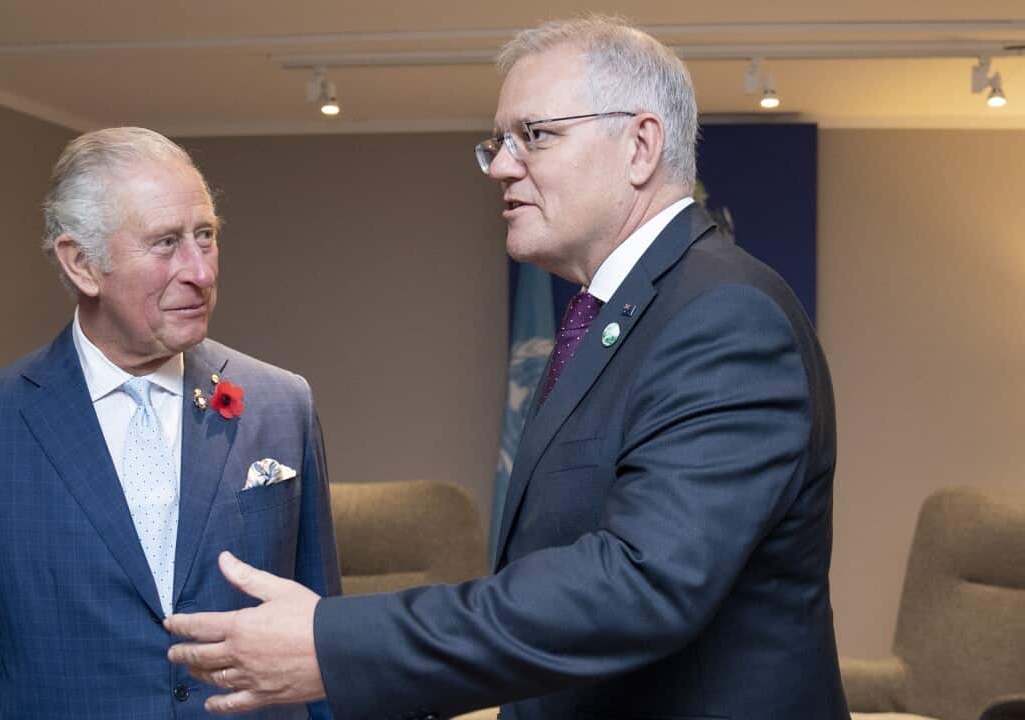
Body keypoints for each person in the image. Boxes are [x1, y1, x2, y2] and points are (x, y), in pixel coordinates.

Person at [166, 15, 848, 720]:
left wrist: (332, 644)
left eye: (535, 135)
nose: (499, 165)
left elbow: (637, 587)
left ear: (640, 145)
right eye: (498, 142)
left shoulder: (722, 317)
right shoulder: (616, 315)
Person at [0, 127, 339, 720]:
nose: (201, 272)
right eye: (165, 243)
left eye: (205, 236)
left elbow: (320, 642)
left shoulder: (282, 404)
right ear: (83, 263)